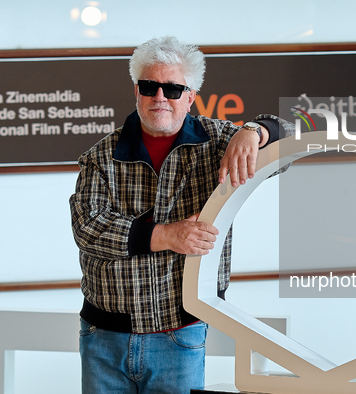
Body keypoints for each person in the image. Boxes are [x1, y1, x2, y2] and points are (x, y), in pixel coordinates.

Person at [69, 36, 293, 393]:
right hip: (104, 337)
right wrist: (169, 235)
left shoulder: (220, 140)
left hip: (181, 333)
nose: (160, 97)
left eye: (173, 88)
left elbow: (293, 141)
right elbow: (88, 227)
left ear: (190, 96)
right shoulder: (101, 155)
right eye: (150, 86)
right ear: (137, 92)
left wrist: (255, 131)